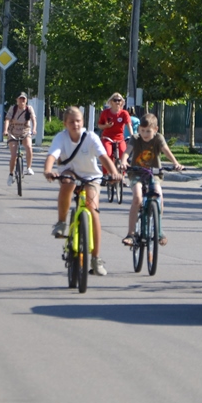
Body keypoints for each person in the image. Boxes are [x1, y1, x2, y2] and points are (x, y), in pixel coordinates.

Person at [43, 106, 121, 277]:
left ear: (83, 122)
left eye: (78, 121)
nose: (75, 124)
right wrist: (48, 170)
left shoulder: (91, 137)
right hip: (70, 172)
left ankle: (96, 259)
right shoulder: (61, 138)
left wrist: (114, 172)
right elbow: (52, 156)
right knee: (67, 182)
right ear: (65, 124)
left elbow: (103, 157)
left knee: (93, 211)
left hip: (91, 176)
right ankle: (62, 222)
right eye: (71, 121)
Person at [120, 113, 184, 247]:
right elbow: (127, 151)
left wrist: (175, 163)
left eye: (148, 131)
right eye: (142, 130)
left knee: (158, 195)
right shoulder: (135, 138)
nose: (145, 134)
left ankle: (159, 231)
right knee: (137, 198)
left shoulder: (158, 139)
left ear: (156, 129)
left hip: (154, 173)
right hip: (136, 173)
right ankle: (131, 234)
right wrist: (124, 161)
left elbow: (166, 150)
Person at [97, 92, 133, 173]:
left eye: (119, 100)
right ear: (111, 102)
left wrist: (132, 136)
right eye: (115, 100)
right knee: (107, 154)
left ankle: (122, 176)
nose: (117, 102)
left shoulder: (124, 113)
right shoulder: (105, 113)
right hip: (107, 138)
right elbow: (99, 125)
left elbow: (129, 125)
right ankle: (106, 175)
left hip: (119, 138)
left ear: (122, 102)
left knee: (123, 155)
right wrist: (106, 126)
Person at [5, 92, 35, 184]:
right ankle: (11, 175)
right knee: (13, 155)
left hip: (25, 132)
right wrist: (5, 130)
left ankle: (29, 168)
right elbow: (7, 120)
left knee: (29, 147)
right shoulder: (13, 109)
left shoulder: (29, 109)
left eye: (24, 99)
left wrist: (34, 129)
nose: (22, 101)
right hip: (13, 132)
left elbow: (34, 119)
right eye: (20, 99)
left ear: (26, 100)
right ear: (17, 100)